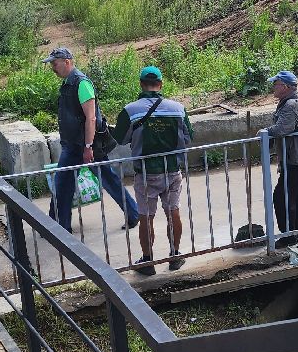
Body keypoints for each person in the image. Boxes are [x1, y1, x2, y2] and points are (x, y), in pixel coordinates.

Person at [43, 47, 139, 234]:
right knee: (66, 183)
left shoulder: (81, 83)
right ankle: (57, 224)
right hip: (74, 144)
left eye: (54, 64)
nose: (52, 68)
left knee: (66, 184)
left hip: (85, 146)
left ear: (67, 62)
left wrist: (88, 147)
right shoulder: (68, 83)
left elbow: (91, 118)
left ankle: (59, 227)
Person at [115, 65, 192, 273]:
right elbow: (188, 137)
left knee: (146, 216)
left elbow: (121, 139)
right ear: (161, 84)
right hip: (172, 170)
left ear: (141, 84)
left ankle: (148, 262)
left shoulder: (130, 110)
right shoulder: (178, 108)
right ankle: (175, 256)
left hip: (146, 174)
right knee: (173, 211)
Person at [259, 70, 298, 246]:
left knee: (282, 196)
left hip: (294, 157)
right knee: (296, 193)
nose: (273, 87)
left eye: (276, 84)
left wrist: (264, 132)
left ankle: (289, 236)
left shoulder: (290, 105)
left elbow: (283, 129)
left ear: (285, 87)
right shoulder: (292, 101)